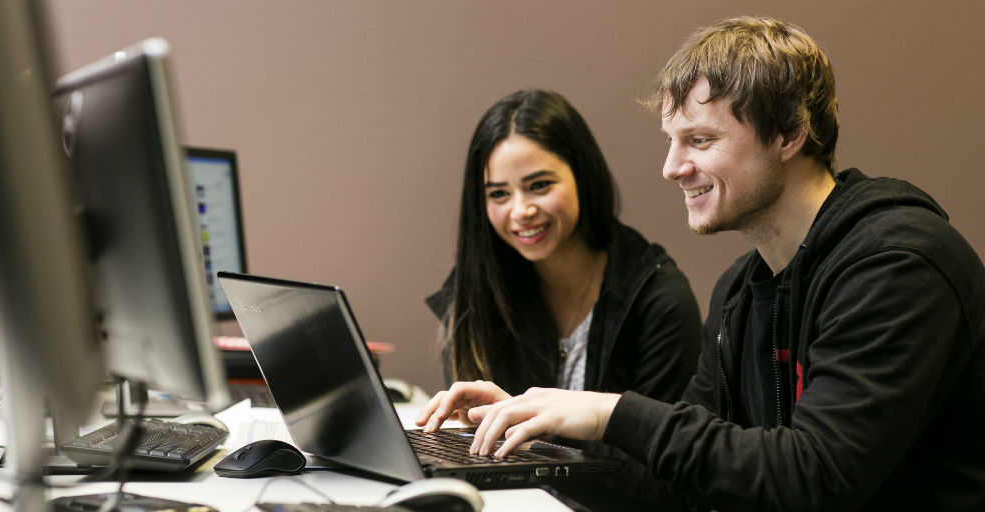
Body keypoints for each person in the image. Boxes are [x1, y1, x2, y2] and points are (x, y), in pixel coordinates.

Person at [419, 17, 985, 511]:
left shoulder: (897, 265)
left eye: (699, 140)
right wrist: (534, 439)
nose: (672, 167)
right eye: (672, 140)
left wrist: (611, 412)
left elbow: (818, 478)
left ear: (789, 132)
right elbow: (681, 487)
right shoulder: (741, 291)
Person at [422, 89, 702, 404]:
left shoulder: (658, 301)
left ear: (583, 176)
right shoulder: (476, 293)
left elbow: (660, 448)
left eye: (539, 186)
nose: (521, 211)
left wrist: (523, 431)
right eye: (499, 194)